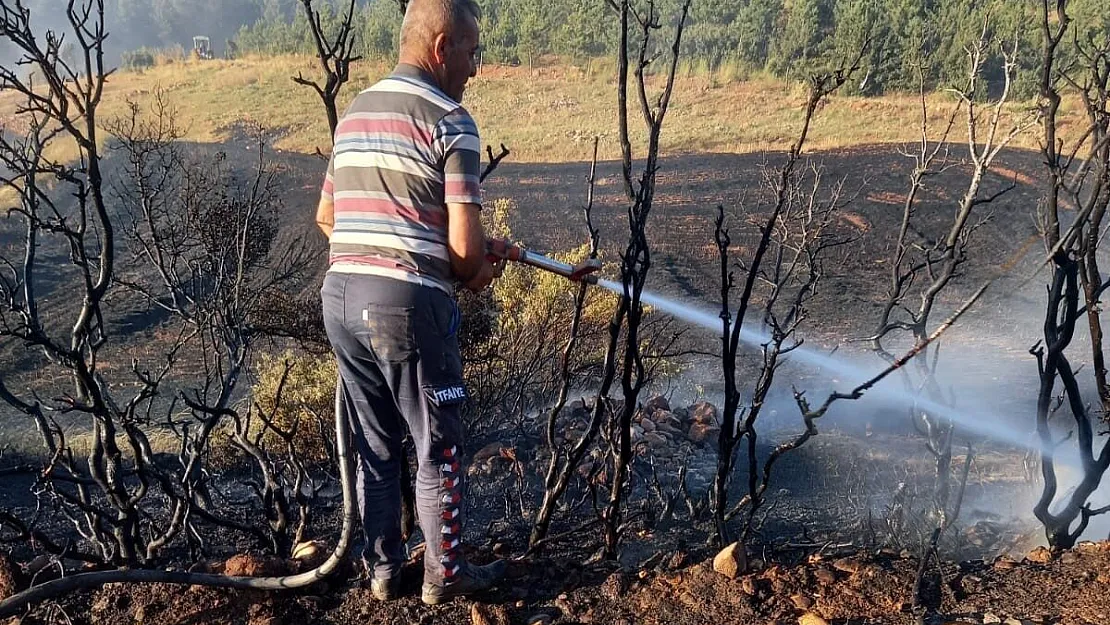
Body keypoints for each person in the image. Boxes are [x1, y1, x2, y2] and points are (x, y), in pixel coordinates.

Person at [314, 0, 504, 605]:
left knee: (375, 441)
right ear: (443, 47)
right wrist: (474, 267)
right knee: (437, 444)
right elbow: (467, 257)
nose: (475, 67)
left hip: (340, 296)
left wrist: (403, 241)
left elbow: (326, 216)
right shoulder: (452, 120)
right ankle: (444, 578)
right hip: (406, 305)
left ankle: (385, 572)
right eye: (472, 52)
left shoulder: (355, 113)